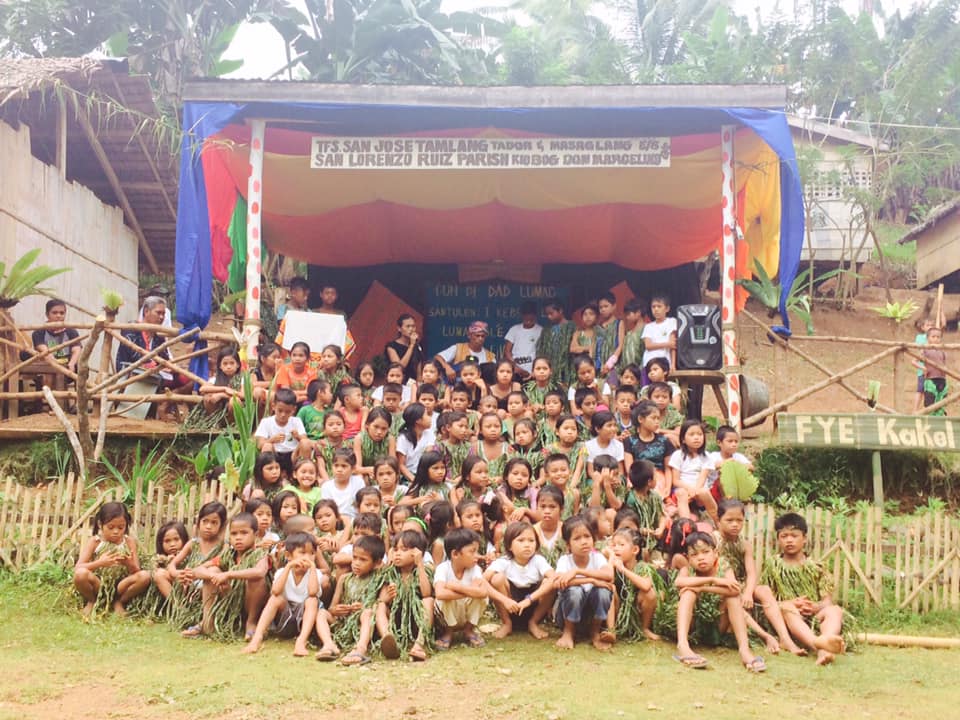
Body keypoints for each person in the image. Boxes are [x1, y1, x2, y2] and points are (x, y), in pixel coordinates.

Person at [716, 500, 804, 656]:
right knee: (732, 592)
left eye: (739, 520)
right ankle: (762, 636)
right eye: (729, 520)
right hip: (721, 585)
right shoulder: (713, 540)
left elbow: (751, 572)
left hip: (742, 585)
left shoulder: (745, 544)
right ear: (719, 521)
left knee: (763, 589)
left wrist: (749, 592)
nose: (735, 524)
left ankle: (785, 638)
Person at [761, 512, 848, 665]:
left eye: (794, 536)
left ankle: (824, 646)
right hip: (788, 615)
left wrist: (816, 607)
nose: (789, 540)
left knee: (835, 610)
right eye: (784, 536)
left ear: (804, 539)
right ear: (778, 540)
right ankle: (820, 647)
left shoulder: (817, 567)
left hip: (815, 617)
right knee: (788, 609)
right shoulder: (772, 566)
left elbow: (827, 601)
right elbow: (767, 600)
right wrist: (790, 603)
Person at [672, 531, 765, 672]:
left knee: (732, 597)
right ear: (688, 558)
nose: (701, 558)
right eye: (694, 555)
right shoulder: (688, 569)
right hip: (694, 628)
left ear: (715, 553)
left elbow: (735, 590)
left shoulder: (723, 565)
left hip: (717, 625)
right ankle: (683, 646)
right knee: (688, 592)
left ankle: (744, 650)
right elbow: (679, 582)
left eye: (705, 552)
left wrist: (703, 588)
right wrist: (712, 580)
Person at [242, 532, 339, 658]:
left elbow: (313, 592)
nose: (308, 557)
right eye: (303, 553)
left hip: (305, 619)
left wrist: (313, 568)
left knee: (312, 600)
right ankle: (257, 638)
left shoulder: (315, 574)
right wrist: (288, 567)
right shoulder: (282, 572)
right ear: (288, 555)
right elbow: (275, 591)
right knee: (275, 599)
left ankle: (301, 641)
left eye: (312, 553)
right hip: (285, 618)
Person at [182, 512, 270, 640]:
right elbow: (198, 569)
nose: (238, 538)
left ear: (255, 535)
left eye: (244, 533)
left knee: (256, 580)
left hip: (250, 604)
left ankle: (251, 623)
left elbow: (260, 572)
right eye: (234, 534)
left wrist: (227, 575)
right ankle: (208, 622)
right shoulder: (228, 555)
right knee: (213, 570)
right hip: (230, 600)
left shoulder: (260, 553)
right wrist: (213, 575)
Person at [117, 296, 193, 421]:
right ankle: (161, 403)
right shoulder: (132, 329)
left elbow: (165, 358)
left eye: (163, 314)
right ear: (146, 311)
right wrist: (159, 366)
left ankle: (165, 403)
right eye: (158, 313)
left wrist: (171, 367)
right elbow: (135, 357)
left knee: (189, 379)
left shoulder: (159, 336)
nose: (162, 317)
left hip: (158, 374)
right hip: (133, 372)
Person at [365, 530, 434, 661]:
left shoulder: (424, 570)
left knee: (428, 601)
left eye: (404, 550)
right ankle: (388, 638)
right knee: (379, 606)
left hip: (416, 621)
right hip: (396, 620)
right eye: (395, 549)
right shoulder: (390, 573)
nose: (398, 554)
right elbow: (382, 599)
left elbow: (426, 593)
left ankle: (419, 645)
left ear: (417, 552)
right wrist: (389, 596)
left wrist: (419, 564)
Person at [74, 502, 150, 617]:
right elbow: (78, 567)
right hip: (99, 585)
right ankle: (92, 600)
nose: (116, 531)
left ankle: (118, 602)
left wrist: (129, 563)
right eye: (111, 527)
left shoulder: (129, 542)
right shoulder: (95, 542)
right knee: (80, 574)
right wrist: (99, 563)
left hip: (121, 586)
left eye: (121, 527)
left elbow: (136, 571)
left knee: (145, 576)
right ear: (100, 524)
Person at [484, 521, 556, 639]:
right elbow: (481, 581)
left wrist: (529, 600)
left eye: (531, 540)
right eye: (521, 540)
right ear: (509, 546)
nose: (527, 545)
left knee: (550, 582)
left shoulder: (538, 560)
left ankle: (533, 623)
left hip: (533, 605)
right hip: (510, 606)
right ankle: (507, 623)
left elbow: (554, 577)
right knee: (497, 579)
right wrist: (505, 600)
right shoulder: (504, 561)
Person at [433, 528, 502, 649]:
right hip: (448, 614)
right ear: (455, 554)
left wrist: (457, 587)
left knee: (483, 598)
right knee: (444, 600)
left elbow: (483, 592)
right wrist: (470, 591)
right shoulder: (443, 568)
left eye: (477, 551)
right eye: (472, 552)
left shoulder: (475, 569)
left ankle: (468, 630)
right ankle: (448, 632)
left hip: (466, 612)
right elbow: (440, 593)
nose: (477, 556)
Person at [554, 515, 614, 650]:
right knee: (575, 591)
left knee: (603, 591)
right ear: (568, 544)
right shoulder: (565, 561)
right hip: (566, 615)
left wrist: (577, 572)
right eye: (577, 538)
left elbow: (609, 575)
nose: (584, 542)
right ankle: (568, 632)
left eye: (587, 536)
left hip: (591, 615)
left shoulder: (597, 558)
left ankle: (595, 632)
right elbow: (558, 582)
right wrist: (592, 580)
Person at [605, 527, 661, 643]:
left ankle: (644, 628)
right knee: (610, 588)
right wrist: (611, 559)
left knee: (650, 594)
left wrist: (623, 570)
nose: (616, 549)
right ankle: (611, 630)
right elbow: (608, 578)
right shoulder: (611, 564)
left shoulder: (643, 567)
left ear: (635, 550)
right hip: (617, 608)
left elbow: (646, 585)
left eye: (621, 545)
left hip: (635, 611)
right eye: (614, 545)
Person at [29, 298, 80, 403]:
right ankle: (49, 401)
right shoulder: (39, 332)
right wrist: (55, 363)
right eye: (55, 313)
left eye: (62, 313)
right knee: (25, 354)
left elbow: (76, 349)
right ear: (47, 314)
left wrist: (72, 363)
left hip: (67, 367)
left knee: (83, 368)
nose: (58, 316)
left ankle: (78, 403)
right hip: (46, 365)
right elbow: (44, 351)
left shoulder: (71, 331)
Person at [253, 388, 312, 477]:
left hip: (293, 455)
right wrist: (272, 440)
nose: (283, 415)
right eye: (280, 410)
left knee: (305, 442)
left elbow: (306, 441)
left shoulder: (296, 421)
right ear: (273, 406)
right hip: (275, 455)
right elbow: (259, 444)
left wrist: (297, 437)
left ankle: (303, 472)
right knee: (267, 446)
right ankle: (269, 478)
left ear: (294, 410)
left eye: (288, 412)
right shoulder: (266, 422)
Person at [668, 420, 718, 523]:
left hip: (699, 489)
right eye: (691, 434)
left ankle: (718, 521)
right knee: (681, 493)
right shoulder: (678, 455)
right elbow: (676, 480)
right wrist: (689, 489)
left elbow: (703, 477)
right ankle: (686, 525)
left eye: (700, 434)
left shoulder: (707, 456)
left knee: (703, 491)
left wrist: (695, 491)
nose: (696, 437)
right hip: (683, 488)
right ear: (683, 439)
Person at [536, 301, 575, 387]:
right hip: (550, 370)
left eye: (551, 313)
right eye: (547, 314)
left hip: (567, 370)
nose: (549, 316)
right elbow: (541, 350)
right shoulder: (546, 330)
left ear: (560, 311)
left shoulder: (572, 327)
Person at [503, 301, 543, 382]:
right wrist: (516, 367)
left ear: (535, 316)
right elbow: (507, 351)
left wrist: (535, 370)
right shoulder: (514, 329)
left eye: (531, 318)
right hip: (516, 371)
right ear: (522, 316)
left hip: (533, 372)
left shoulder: (541, 331)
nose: (528, 320)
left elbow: (543, 353)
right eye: (526, 318)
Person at [199, 345, 243, 415]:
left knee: (234, 401)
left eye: (232, 363)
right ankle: (216, 422)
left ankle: (234, 424)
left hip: (235, 415)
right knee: (207, 397)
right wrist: (224, 389)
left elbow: (243, 395)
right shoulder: (215, 379)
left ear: (238, 365)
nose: (228, 367)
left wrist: (222, 395)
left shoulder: (242, 379)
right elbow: (202, 389)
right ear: (220, 366)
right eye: (225, 364)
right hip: (220, 413)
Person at [641, 294, 677, 374]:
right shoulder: (648, 326)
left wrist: (673, 365)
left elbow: (673, 346)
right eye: (653, 307)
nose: (656, 309)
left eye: (659, 306)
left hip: (664, 364)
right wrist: (667, 344)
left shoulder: (672, 322)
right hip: (648, 362)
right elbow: (648, 346)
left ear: (667, 308)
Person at [274, 341, 317, 406]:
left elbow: (308, 392)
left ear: (308, 358)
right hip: (287, 399)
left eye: (301, 355)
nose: (297, 358)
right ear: (290, 356)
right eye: (294, 355)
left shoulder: (312, 372)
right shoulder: (284, 369)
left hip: (304, 400)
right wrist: (299, 397)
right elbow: (285, 391)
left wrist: (300, 397)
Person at [385, 313, 424, 384]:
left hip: (412, 385)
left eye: (413, 326)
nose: (411, 329)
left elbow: (419, 372)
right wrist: (411, 346)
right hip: (397, 384)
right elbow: (399, 368)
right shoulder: (391, 346)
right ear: (399, 328)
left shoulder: (417, 346)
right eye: (408, 326)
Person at [922, 326, 948, 414]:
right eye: (933, 337)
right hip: (930, 379)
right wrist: (923, 368)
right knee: (930, 403)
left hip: (942, 379)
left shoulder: (942, 351)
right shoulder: (925, 350)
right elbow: (914, 361)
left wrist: (945, 369)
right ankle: (930, 421)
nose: (936, 339)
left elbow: (944, 364)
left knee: (942, 402)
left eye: (938, 337)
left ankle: (940, 421)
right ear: (927, 338)